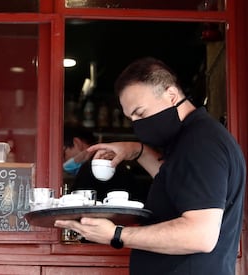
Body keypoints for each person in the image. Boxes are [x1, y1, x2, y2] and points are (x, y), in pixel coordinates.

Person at [55, 57, 246, 275]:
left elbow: (200, 235)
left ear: (171, 95)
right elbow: (177, 184)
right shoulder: (190, 139)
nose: (137, 124)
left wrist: (116, 234)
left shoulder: (200, 143)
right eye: (131, 118)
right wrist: (137, 150)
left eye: (140, 112)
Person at [63, 124, 149, 202]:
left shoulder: (95, 167)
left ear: (77, 143)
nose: (62, 161)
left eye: (63, 154)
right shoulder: (110, 163)